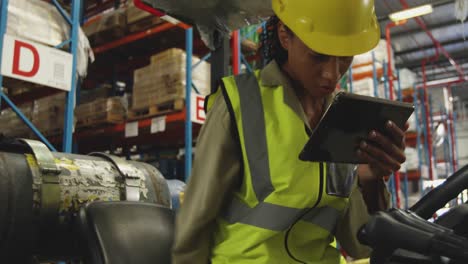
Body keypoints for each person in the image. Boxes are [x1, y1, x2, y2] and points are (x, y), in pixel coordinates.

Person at [172, 0, 408, 263]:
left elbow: (360, 247)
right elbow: (195, 222)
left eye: (344, 57)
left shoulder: (346, 118)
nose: (332, 74)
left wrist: (370, 180)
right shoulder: (239, 103)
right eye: (318, 55)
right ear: (285, 36)